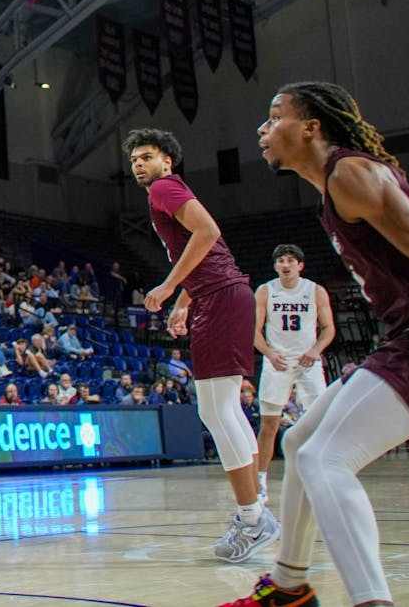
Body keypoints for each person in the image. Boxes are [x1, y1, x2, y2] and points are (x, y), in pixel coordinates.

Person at [215, 82, 409, 607]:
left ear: (310, 127)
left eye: (273, 116)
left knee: (325, 459)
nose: (262, 129)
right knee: (299, 441)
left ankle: (371, 601)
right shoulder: (333, 186)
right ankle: (288, 589)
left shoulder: (350, 173)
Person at [125, 127, 277, 563]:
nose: (139, 164)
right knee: (225, 408)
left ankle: (252, 520)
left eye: (147, 156)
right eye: (135, 159)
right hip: (221, 295)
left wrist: (171, 288)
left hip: (221, 298)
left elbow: (207, 233)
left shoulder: (164, 188)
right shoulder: (171, 190)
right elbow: (206, 250)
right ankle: (256, 510)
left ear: (166, 162)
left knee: (215, 409)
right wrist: (184, 303)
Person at [252, 244, 335, 501]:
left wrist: (315, 349)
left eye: (290, 260)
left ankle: (319, 476)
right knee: (269, 423)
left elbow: (329, 328)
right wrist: (269, 353)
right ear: (276, 266)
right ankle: (260, 483)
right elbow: (253, 332)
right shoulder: (266, 291)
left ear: (300, 265)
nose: (285, 265)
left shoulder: (315, 291)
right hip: (278, 361)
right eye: (280, 260)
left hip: (307, 360)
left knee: (319, 421)